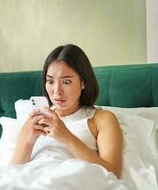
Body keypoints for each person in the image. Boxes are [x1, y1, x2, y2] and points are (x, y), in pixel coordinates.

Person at [10, 44, 123, 179]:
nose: (57, 90)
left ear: (83, 82)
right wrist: (29, 141)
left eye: (66, 81)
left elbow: (113, 174)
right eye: (50, 81)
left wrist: (67, 138)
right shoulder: (36, 120)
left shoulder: (102, 119)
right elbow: (12, 172)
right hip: (30, 180)